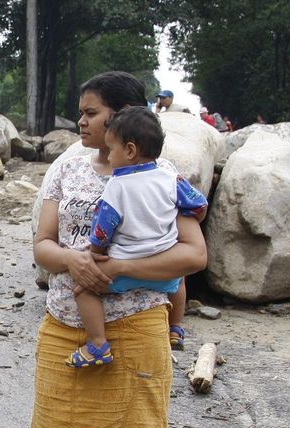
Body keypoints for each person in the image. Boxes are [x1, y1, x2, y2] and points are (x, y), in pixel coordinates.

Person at [22, 71, 208, 428]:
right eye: (80, 112)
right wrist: (73, 260)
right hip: (64, 325)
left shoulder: (166, 176)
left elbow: (193, 255)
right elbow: (42, 245)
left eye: (90, 112)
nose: (80, 122)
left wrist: (122, 269)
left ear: (123, 120)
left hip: (138, 328)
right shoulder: (66, 167)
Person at [67, 107, 208, 367]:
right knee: (180, 279)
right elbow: (198, 203)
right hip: (165, 269)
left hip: (125, 269)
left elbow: (102, 229)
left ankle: (97, 345)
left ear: (130, 150)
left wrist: (96, 255)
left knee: (82, 290)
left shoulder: (117, 186)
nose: (108, 157)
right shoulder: (170, 177)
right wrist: (196, 217)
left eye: (111, 150)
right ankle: (176, 327)